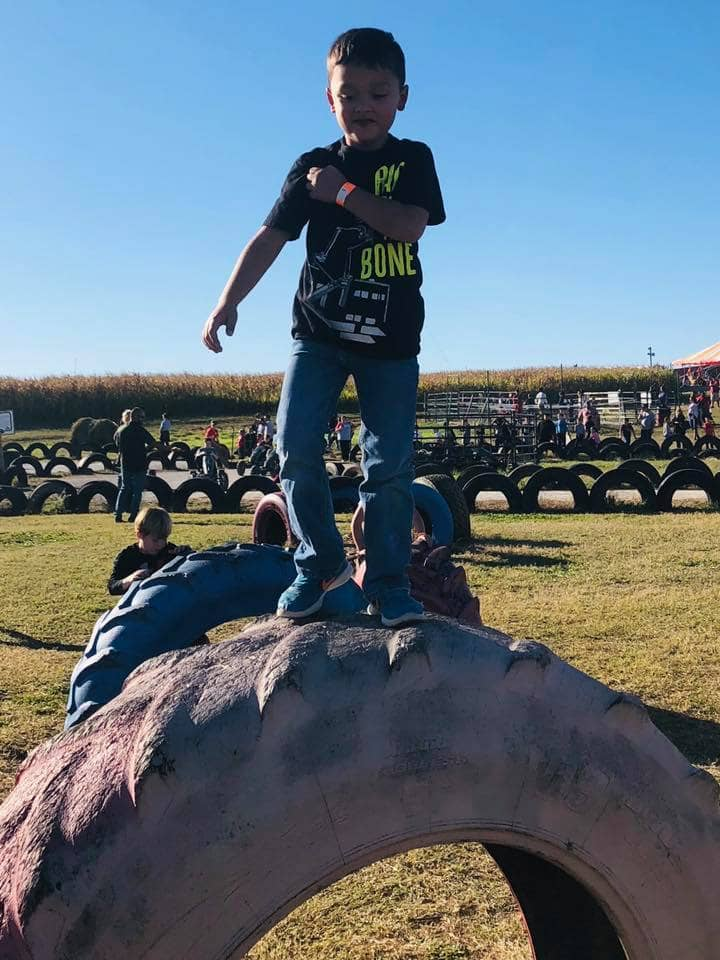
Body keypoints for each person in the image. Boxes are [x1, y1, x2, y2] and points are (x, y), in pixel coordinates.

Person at [201, 28, 445, 626]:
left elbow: (409, 224)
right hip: (318, 336)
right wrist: (227, 301)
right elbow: (270, 238)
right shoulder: (312, 167)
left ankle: (388, 585)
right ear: (329, 100)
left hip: (390, 344)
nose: (364, 104)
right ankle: (319, 564)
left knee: (389, 466)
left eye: (378, 92)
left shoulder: (412, 159)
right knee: (293, 446)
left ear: (402, 98)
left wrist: (343, 195)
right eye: (350, 93)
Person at [108, 507, 191, 595]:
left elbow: (189, 575)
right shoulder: (128, 556)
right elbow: (112, 587)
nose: (160, 544)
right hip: (139, 602)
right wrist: (129, 579)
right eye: (155, 540)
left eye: (164, 538)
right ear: (139, 535)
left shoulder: (170, 551)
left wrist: (185, 556)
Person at [114, 407, 155, 524]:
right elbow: (152, 443)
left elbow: (117, 444)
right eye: (142, 417)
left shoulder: (121, 430)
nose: (143, 419)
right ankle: (133, 515)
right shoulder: (140, 430)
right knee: (137, 491)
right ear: (136, 417)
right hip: (139, 463)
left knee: (124, 488)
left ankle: (118, 514)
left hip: (126, 463)